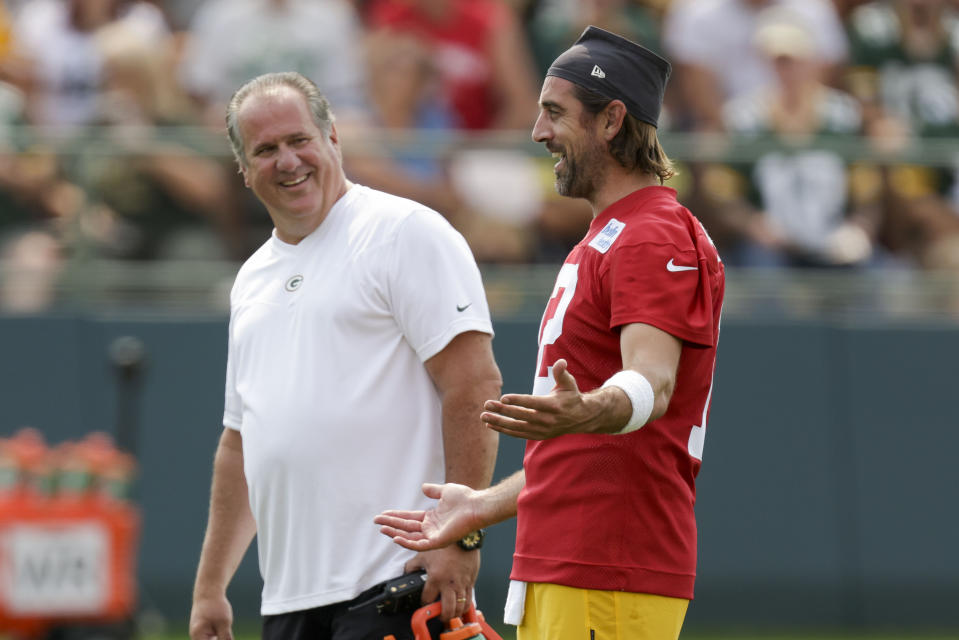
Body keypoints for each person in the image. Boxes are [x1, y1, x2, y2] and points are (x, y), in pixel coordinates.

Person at [376, 26, 725, 640]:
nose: (538, 132)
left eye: (555, 113)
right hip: (575, 563)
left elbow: (653, 382)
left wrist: (589, 408)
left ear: (612, 119)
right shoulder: (608, 234)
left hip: (610, 565)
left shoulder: (653, 234)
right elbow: (579, 444)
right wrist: (481, 505)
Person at [188, 71, 503, 640]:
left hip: (397, 582)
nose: (287, 161)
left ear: (333, 137)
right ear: (244, 169)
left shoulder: (405, 232)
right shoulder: (251, 279)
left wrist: (459, 537)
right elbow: (241, 443)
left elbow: (474, 384)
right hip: (288, 602)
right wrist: (211, 588)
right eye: (265, 149)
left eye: (298, 140)